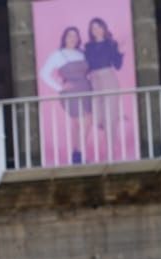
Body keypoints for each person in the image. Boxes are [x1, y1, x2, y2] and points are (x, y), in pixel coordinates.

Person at [40, 26, 92, 164]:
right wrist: (60, 87)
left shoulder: (82, 53)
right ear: (64, 37)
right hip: (71, 92)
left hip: (86, 89)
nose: (73, 38)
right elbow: (44, 73)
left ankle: (76, 154)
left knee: (77, 124)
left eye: (75, 35)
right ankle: (78, 155)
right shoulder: (58, 54)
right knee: (85, 122)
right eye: (70, 35)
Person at [84, 17, 125, 161]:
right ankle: (113, 133)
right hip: (94, 80)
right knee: (99, 118)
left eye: (98, 26)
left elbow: (118, 65)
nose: (96, 30)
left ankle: (110, 154)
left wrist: (120, 51)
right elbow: (86, 67)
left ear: (104, 28)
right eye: (93, 27)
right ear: (91, 31)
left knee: (110, 117)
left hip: (109, 78)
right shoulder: (88, 47)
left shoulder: (111, 44)